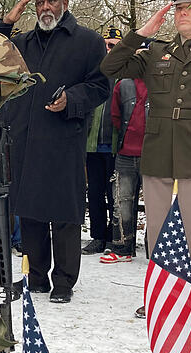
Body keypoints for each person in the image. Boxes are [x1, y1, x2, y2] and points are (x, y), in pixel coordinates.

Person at [101, 0, 191, 314]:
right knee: (156, 229)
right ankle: (160, 299)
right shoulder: (157, 50)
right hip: (158, 151)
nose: (182, 13)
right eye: (178, 7)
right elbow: (109, 66)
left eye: (190, 7)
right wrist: (142, 32)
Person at [0, 0, 111, 303]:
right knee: (30, 210)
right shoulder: (20, 42)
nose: (47, 6)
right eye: (41, 2)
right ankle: (36, 276)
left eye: (53, 1)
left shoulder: (88, 41)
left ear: (66, 4)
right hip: (24, 139)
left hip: (64, 140)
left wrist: (71, 100)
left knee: (63, 213)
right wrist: (7, 20)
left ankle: (63, 280)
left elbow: (100, 86)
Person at [100, 41, 150, 264]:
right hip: (126, 152)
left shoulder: (162, 83)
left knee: (156, 204)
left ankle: (156, 250)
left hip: (154, 154)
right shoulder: (123, 84)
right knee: (121, 201)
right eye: (138, 55)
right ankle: (122, 247)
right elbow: (116, 117)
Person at [83, 26, 122, 255]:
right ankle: (97, 236)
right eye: (107, 44)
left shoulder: (127, 73)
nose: (110, 49)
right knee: (95, 193)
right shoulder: (93, 73)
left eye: (115, 45)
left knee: (114, 194)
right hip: (92, 144)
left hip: (117, 146)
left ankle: (114, 237)